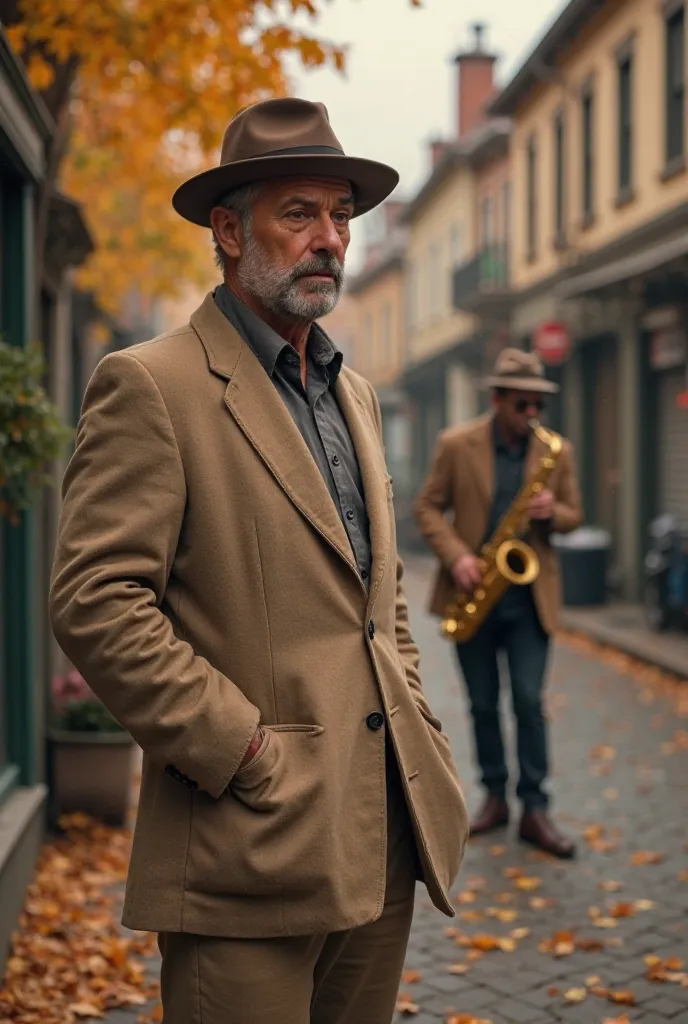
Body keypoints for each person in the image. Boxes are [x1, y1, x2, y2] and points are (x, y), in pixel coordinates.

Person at [49, 98, 468, 1024]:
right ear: (229, 232)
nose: (331, 238)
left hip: (383, 834)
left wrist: (420, 728)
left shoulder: (351, 389)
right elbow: (96, 600)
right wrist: (237, 749)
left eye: (343, 217)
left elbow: (377, 592)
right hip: (248, 841)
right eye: (300, 214)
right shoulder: (150, 385)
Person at [415, 348, 583, 859]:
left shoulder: (555, 451)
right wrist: (458, 556)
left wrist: (553, 512)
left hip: (530, 600)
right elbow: (427, 507)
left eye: (538, 406)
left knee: (529, 703)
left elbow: (576, 515)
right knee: (483, 704)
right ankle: (495, 797)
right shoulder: (455, 444)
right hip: (473, 593)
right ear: (498, 399)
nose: (532, 415)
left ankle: (535, 807)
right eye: (522, 405)